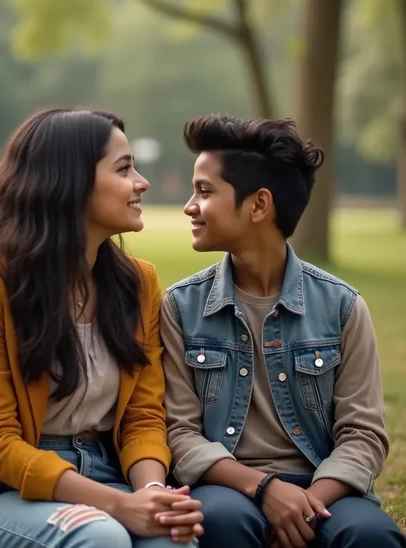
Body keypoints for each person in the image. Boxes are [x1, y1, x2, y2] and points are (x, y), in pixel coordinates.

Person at [0, 107, 202, 548]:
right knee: (101, 538)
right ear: (71, 183)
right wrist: (117, 506)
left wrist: (153, 494)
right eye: (124, 168)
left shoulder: (139, 283)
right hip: (4, 488)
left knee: (176, 540)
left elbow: (143, 417)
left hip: (110, 469)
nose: (141, 182)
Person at [161, 114, 405, 548]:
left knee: (372, 536)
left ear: (258, 205)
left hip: (323, 485)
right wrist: (264, 489)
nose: (189, 206)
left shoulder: (342, 306)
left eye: (204, 191)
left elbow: (363, 434)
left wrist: (306, 502)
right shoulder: (181, 306)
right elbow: (179, 433)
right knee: (219, 521)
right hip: (226, 484)